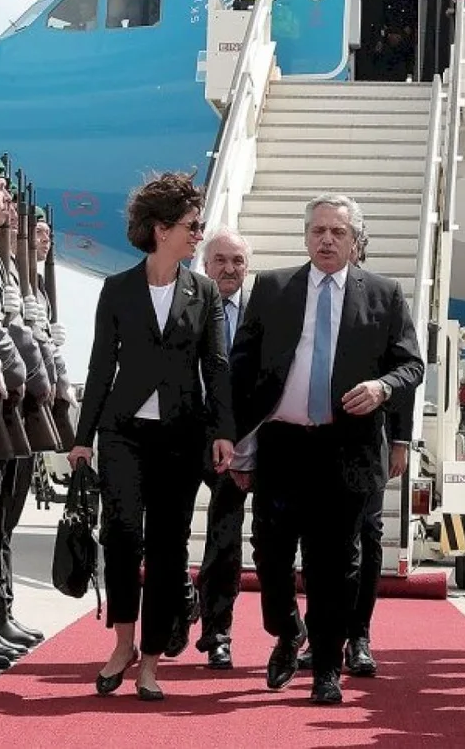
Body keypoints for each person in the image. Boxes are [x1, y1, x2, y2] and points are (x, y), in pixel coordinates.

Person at [228, 193, 422, 705]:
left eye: (337, 232)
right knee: (269, 557)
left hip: (345, 447)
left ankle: (326, 671)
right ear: (305, 236)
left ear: (356, 241)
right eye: (318, 231)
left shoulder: (384, 293)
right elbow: (240, 368)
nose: (326, 240)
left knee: (334, 565)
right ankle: (287, 631)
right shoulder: (272, 288)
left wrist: (383, 387)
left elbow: (412, 365)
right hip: (283, 444)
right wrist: (232, 436)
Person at [69, 172, 235, 701]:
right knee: (120, 534)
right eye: (192, 226)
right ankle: (121, 643)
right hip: (123, 432)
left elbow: (218, 365)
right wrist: (82, 436)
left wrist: (222, 431)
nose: (198, 234)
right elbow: (100, 366)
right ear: (161, 229)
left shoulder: (204, 291)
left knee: (168, 546)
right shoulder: (117, 289)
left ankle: (151, 662)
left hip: (181, 436)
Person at [193, 229, 252, 670]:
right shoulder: (186, 305)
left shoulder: (262, 313)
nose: (228, 269)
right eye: (220, 261)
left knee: (225, 539)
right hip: (186, 435)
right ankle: (176, 614)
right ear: (204, 264)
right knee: (166, 535)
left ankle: (218, 632)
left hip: (242, 443)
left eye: (237, 261)